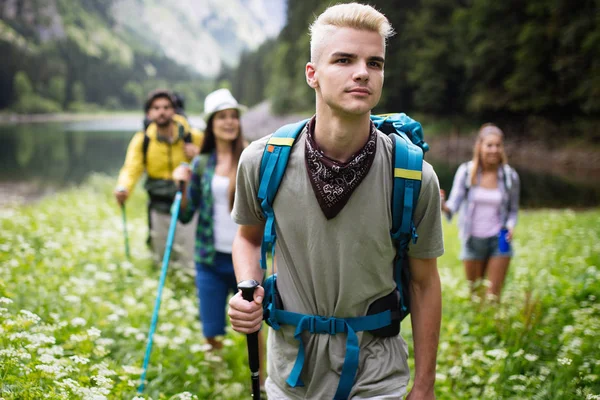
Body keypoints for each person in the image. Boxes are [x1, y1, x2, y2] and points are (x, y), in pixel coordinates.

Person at [227, 3, 444, 399]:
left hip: (376, 377)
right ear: (312, 74)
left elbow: (425, 282)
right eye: (344, 60)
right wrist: (247, 286)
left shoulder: (412, 176)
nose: (362, 72)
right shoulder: (262, 161)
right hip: (291, 375)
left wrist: (425, 386)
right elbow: (249, 238)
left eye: (374, 63)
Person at [114, 89, 203, 273]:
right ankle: (170, 289)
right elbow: (132, 167)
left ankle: (189, 290)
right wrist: (124, 187)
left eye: (166, 107)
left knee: (189, 257)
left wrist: (198, 155)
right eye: (156, 108)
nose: (161, 111)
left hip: (187, 206)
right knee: (161, 257)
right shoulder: (143, 140)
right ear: (149, 113)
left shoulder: (193, 136)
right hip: (158, 205)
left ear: (174, 110)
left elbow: (216, 161)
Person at [441, 123, 520, 298]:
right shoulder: (466, 172)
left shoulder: (509, 176)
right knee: (476, 297)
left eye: (498, 145)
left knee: (493, 297)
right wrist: (442, 204)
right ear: (480, 147)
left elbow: (513, 210)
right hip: (472, 241)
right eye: (489, 145)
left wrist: (511, 226)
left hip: (499, 242)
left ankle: (493, 324)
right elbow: (453, 205)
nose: (494, 150)